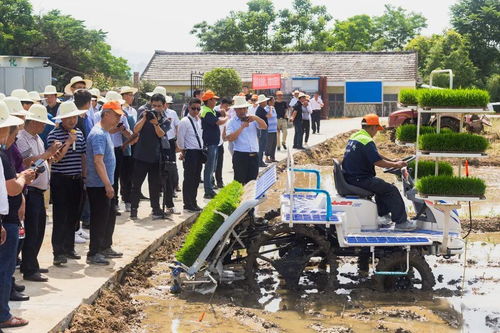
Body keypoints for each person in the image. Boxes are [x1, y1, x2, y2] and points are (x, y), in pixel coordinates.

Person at [342, 114, 415, 231]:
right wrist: (395, 165)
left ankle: (383, 217)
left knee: (382, 187)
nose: (376, 132)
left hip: (352, 176)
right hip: (359, 179)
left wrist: (392, 161)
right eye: (377, 129)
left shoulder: (356, 136)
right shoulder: (366, 140)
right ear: (372, 127)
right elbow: (377, 161)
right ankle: (401, 222)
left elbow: (375, 155)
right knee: (392, 190)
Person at [0, 100, 35, 329]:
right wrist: (24, 178)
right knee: (4, 270)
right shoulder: (2, 154)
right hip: (6, 220)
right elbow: (11, 187)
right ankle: (3, 315)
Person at [17, 104, 60, 281]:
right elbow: (26, 162)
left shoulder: (36, 138)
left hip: (39, 190)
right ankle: (29, 267)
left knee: (39, 229)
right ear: (33, 122)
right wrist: (46, 154)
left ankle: (31, 263)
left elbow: (39, 161)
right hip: (31, 190)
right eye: (41, 123)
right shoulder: (22, 139)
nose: (43, 127)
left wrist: (50, 156)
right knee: (32, 230)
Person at [86, 101, 125, 265]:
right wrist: (107, 184)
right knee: (99, 218)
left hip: (106, 183)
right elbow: (98, 161)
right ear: (106, 113)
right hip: (99, 185)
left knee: (108, 216)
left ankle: (105, 246)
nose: (118, 118)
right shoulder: (99, 134)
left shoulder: (106, 132)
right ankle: (94, 252)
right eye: (116, 115)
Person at [48, 101, 87, 266]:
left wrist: (84, 176)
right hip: (61, 179)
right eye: (68, 118)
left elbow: (83, 156)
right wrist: (69, 143)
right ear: (62, 119)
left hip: (76, 179)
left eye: (74, 117)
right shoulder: (54, 134)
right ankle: (58, 252)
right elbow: (55, 159)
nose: (72, 121)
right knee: (60, 216)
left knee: (73, 215)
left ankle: (69, 248)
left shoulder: (79, 132)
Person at [130, 93, 172, 220]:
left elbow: (160, 134)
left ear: (164, 106)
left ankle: (156, 208)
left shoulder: (166, 119)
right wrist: (144, 118)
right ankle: (134, 209)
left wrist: (155, 123)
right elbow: (135, 130)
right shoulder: (144, 114)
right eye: (154, 105)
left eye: (159, 106)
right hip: (141, 155)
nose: (156, 108)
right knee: (136, 184)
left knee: (154, 185)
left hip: (156, 157)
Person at [225, 96, 267, 184]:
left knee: (252, 183)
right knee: (239, 182)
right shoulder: (231, 122)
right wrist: (242, 127)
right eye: (240, 109)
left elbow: (264, 126)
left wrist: (255, 118)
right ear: (235, 110)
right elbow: (230, 138)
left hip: (254, 155)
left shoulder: (252, 119)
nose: (242, 111)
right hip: (240, 155)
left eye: (244, 108)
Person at [177, 98, 204, 212]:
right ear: (189, 108)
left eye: (198, 108)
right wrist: (183, 151)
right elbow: (180, 139)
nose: (196, 111)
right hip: (190, 152)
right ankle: (188, 203)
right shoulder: (184, 121)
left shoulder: (198, 120)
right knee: (189, 179)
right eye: (193, 108)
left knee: (196, 178)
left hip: (198, 152)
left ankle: (193, 201)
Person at [201, 90, 228, 199]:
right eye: (214, 99)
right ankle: (208, 190)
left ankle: (210, 187)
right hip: (210, 143)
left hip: (214, 143)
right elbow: (219, 122)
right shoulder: (206, 112)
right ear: (209, 100)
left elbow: (218, 113)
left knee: (212, 166)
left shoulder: (210, 110)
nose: (216, 101)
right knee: (209, 167)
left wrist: (223, 111)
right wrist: (226, 117)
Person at [120, 86, 139, 212]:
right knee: (121, 174)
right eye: (129, 95)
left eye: (132, 95)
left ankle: (128, 198)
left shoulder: (133, 111)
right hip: (119, 144)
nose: (132, 97)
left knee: (129, 174)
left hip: (132, 144)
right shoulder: (121, 111)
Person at [164, 95, 181, 196]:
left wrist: (178, 141)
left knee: (172, 165)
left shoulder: (172, 113)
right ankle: (162, 188)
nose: (166, 105)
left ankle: (174, 186)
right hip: (160, 142)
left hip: (170, 141)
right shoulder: (155, 113)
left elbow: (177, 126)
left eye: (168, 104)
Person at [214, 97, 232, 189]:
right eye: (225, 106)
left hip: (220, 142)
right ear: (221, 104)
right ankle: (211, 181)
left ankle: (219, 181)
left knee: (220, 163)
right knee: (212, 164)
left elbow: (225, 125)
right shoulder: (215, 110)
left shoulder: (226, 112)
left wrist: (224, 134)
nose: (226, 108)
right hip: (212, 142)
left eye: (228, 106)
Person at [255, 94, 270, 167]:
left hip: (262, 129)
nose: (266, 102)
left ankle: (260, 161)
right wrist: (270, 108)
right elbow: (269, 116)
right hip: (261, 130)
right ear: (261, 102)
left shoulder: (261, 109)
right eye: (265, 101)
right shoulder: (260, 109)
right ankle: (259, 162)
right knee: (261, 146)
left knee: (262, 146)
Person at [265, 97, 278, 163]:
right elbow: (269, 116)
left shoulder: (273, 108)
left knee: (274, 144)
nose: (274, 101)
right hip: (269, 129)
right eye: (273, 100)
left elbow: (275, 117)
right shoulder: (266, 108)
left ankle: (272, 157)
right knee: (269, 144)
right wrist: (270, 108)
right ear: (269, 101)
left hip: (274, 129)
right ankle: (267, 158)